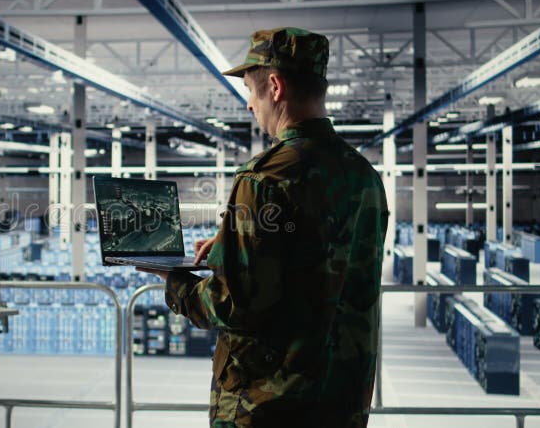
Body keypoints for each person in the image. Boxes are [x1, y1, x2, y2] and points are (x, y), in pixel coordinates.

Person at [137, 27, 389, 427]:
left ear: (274, 86)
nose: (251, 106)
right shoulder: (364, 177)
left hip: (269, 407)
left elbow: (230, 304)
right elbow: (320, 257)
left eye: (252, 94)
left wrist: (175, 280)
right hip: (343, 402)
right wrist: (228, 247)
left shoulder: (264, 179)